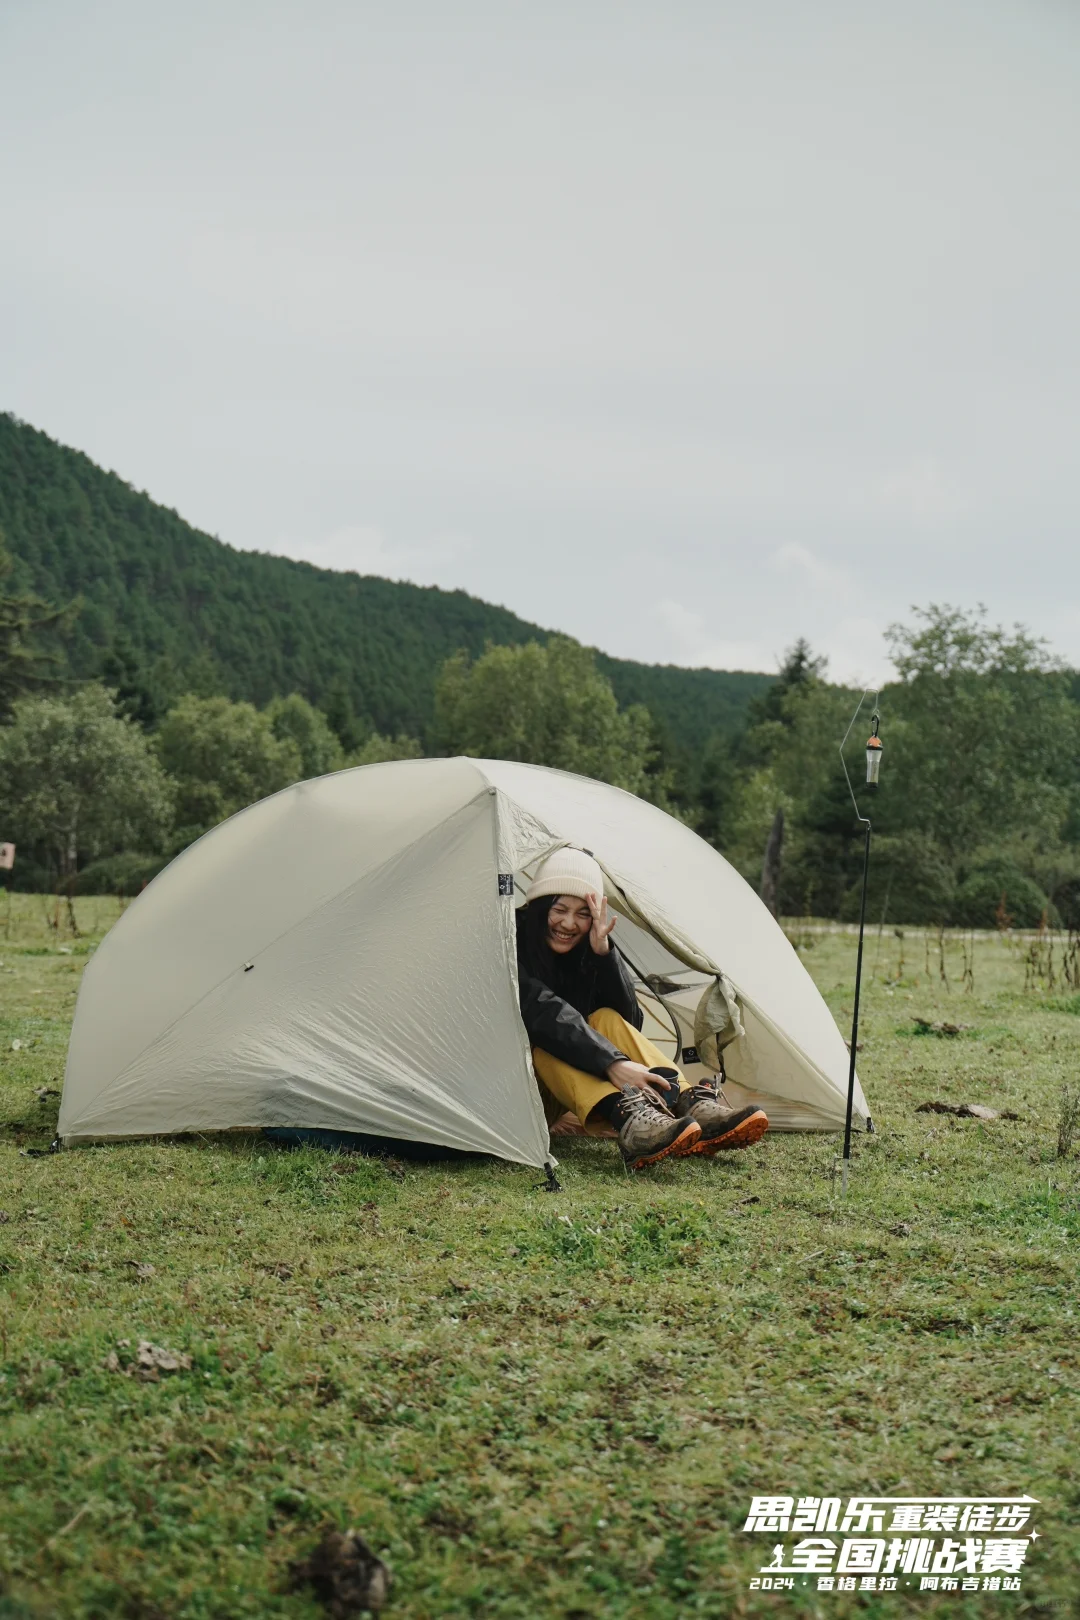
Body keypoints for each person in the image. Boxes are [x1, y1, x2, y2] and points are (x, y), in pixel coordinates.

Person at [516, 848, 768, 1171]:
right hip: (520, 1092)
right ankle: (630, 1119)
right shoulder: (513, 938)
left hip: (564, 1085)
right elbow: (543, 1013)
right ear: (539, 906)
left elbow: (629, 1020)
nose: (569, 923)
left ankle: (688, 1102)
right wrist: (612, 1065)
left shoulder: (586, 945)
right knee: (543, 1047)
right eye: (560, 909)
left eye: (583, 913)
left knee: (604, 1018)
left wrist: (603, 956)